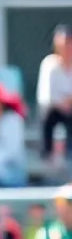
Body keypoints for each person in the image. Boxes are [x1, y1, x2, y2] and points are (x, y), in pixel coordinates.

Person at [36, 25, 72, 163]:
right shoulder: (49, 64)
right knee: (47, 116)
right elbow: (46, 96)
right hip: (55, 110)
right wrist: (64, 102)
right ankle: (47, 155)